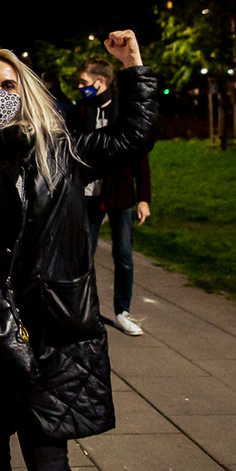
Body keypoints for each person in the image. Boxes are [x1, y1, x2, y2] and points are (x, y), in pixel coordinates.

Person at [0, 30, 156, 471]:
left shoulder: (61, 151)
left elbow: (134, 136)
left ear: (25, 93)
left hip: (51, 332)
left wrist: (132, 66)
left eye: (7, 85)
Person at [72, 58, 152, 337]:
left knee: (124, 255)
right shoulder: (81, 111)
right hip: (88, 194)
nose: (80, 87)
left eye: (84, 82)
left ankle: (122, 311)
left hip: (119, 195)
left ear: (99, 82)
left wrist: (144, 197)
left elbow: (140, 156)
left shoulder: (123, 111)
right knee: (84, 256)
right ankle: (86, 310)